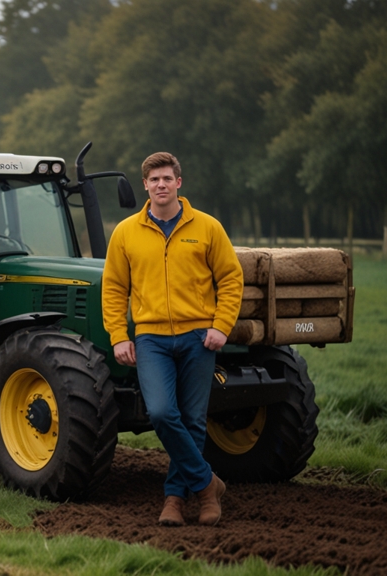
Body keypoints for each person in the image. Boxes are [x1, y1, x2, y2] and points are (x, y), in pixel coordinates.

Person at [102, 152, 243, 527]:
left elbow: (230, 278)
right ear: (145, 185)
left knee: (194, 420)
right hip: (151, 339)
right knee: (163, 413)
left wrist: (221, 326)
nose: (160, 185)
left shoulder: (208, 227)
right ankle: (207, 485)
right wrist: (119, 335)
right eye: (153, 180)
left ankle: (174, 500)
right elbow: (114, 287)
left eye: (167, 178)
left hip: (199, 337)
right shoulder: (126, 232)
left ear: (179, 183)